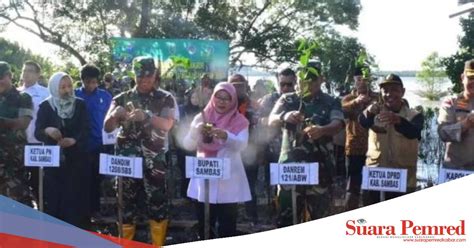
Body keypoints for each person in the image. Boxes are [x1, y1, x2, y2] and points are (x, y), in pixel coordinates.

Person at [104, 56, 175, 246]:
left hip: (154, 161)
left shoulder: (165, 98)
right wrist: (114, 115)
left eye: (148, 76)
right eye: (140, 76)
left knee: (158, 204)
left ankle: (157, 243)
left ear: (154, 75)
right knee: (125, 206)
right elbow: (107, 127)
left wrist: (148, 116)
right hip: (127, 162)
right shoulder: (121, 98)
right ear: (134, 75)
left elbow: (168, 124)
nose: (145, 80)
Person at [269, 61, 344, 226]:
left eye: (312, 79)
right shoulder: (287, 99)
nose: (307, 83)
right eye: (303, 79)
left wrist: (322, 130)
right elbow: (271, 120)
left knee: (320, 219)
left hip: (320, 169)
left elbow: (337, 123)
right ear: (298, 80)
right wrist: (284, 117)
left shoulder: (330, 101)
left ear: (321, 79)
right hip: (290, 168)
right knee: (286, 219)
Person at [183, 82, 250, 239]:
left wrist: (226, 136)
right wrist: (194, 132)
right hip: (204, 178)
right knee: (205, 224)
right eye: (218, 97)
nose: (222, 102)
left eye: (227, 99)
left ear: (233, 101)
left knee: (227, 226)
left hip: (228, 181)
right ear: (213, 98)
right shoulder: (201, 117)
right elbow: (187, 144)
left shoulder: (239, 120)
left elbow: (242, 145)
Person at [35, 72, 90, 227]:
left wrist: (74, 140)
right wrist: (48, 131)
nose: (67, 90)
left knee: (75, 201)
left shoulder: (80, 104)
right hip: (53, 164)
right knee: (55, 200)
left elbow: (86, 130)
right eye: (62, 87)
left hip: (76, 161)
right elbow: (37, 132)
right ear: (54, 88)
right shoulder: (46, 106)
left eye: (69, 86)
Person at [359, 74, 423, 205]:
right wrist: (369, 112)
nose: (389, 94)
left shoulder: (414, 115)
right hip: (376, 176)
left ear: (403, 92)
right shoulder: (375, 111)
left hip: (403, 178)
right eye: (385, 91)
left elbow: (414, 132)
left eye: (394, 90)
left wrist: (398, 120)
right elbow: (363, 121)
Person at [75, 64, 112, 221]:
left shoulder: (106, 96)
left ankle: (95, 210)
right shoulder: (74, 95)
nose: (91, 85)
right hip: (78, 144)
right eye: (88, 81)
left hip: (99, 144)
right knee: (81, 178)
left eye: (94, 82)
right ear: (82, 80)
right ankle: (81, 210)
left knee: (97, 178)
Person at [341, 66, 378, 210]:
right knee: (353, 186)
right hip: (354, 147)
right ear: (354, 81)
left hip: (374, 149)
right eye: (359, 79)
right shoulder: (348, 98)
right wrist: (356, 102)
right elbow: (342, 111)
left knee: (371, 185)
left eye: (365, 79)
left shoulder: (376, 97)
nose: (362, 82)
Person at [0, 61, 35, 206]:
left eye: (1, 77)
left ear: (9, 76)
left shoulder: (23, 97)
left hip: (13, 163)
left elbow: (23, 123)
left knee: (17, 201)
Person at [228, 74, 260, 223]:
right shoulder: (223, 103)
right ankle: (230, 216)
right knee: (229, 184)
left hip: (250, 151)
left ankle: (252, 215)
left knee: (250, 184)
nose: (237, 88)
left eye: (240, 85)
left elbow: (262, 127)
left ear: (246, 86)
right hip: (230, 151)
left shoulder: (254, 104)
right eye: (234, 85)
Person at [18, 60, 50, 199]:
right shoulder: (15, 92)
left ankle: (41, 209)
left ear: (38, 75)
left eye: (30, 71)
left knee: (38, 181)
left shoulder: (45, 93)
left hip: (37, 143)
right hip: (18, 144)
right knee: (18, 180)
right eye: (24, 70)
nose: (26, 73)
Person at [438, 59, 474, 171]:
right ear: (463, 78)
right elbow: (442, 133)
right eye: (471, 78)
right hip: (455, 170)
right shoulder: (450, 102)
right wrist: (464, 125)